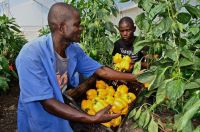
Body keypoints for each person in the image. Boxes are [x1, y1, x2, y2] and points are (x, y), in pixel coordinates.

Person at [16, 3, 141, 132]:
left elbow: (102, 71)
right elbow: (47, 102)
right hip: (38, 116)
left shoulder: (73, 50)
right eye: (77, 24)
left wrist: (138, 77)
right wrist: (91, 118)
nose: (81, 28)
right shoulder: (31, 55)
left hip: (61, 108)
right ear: (62, 27)